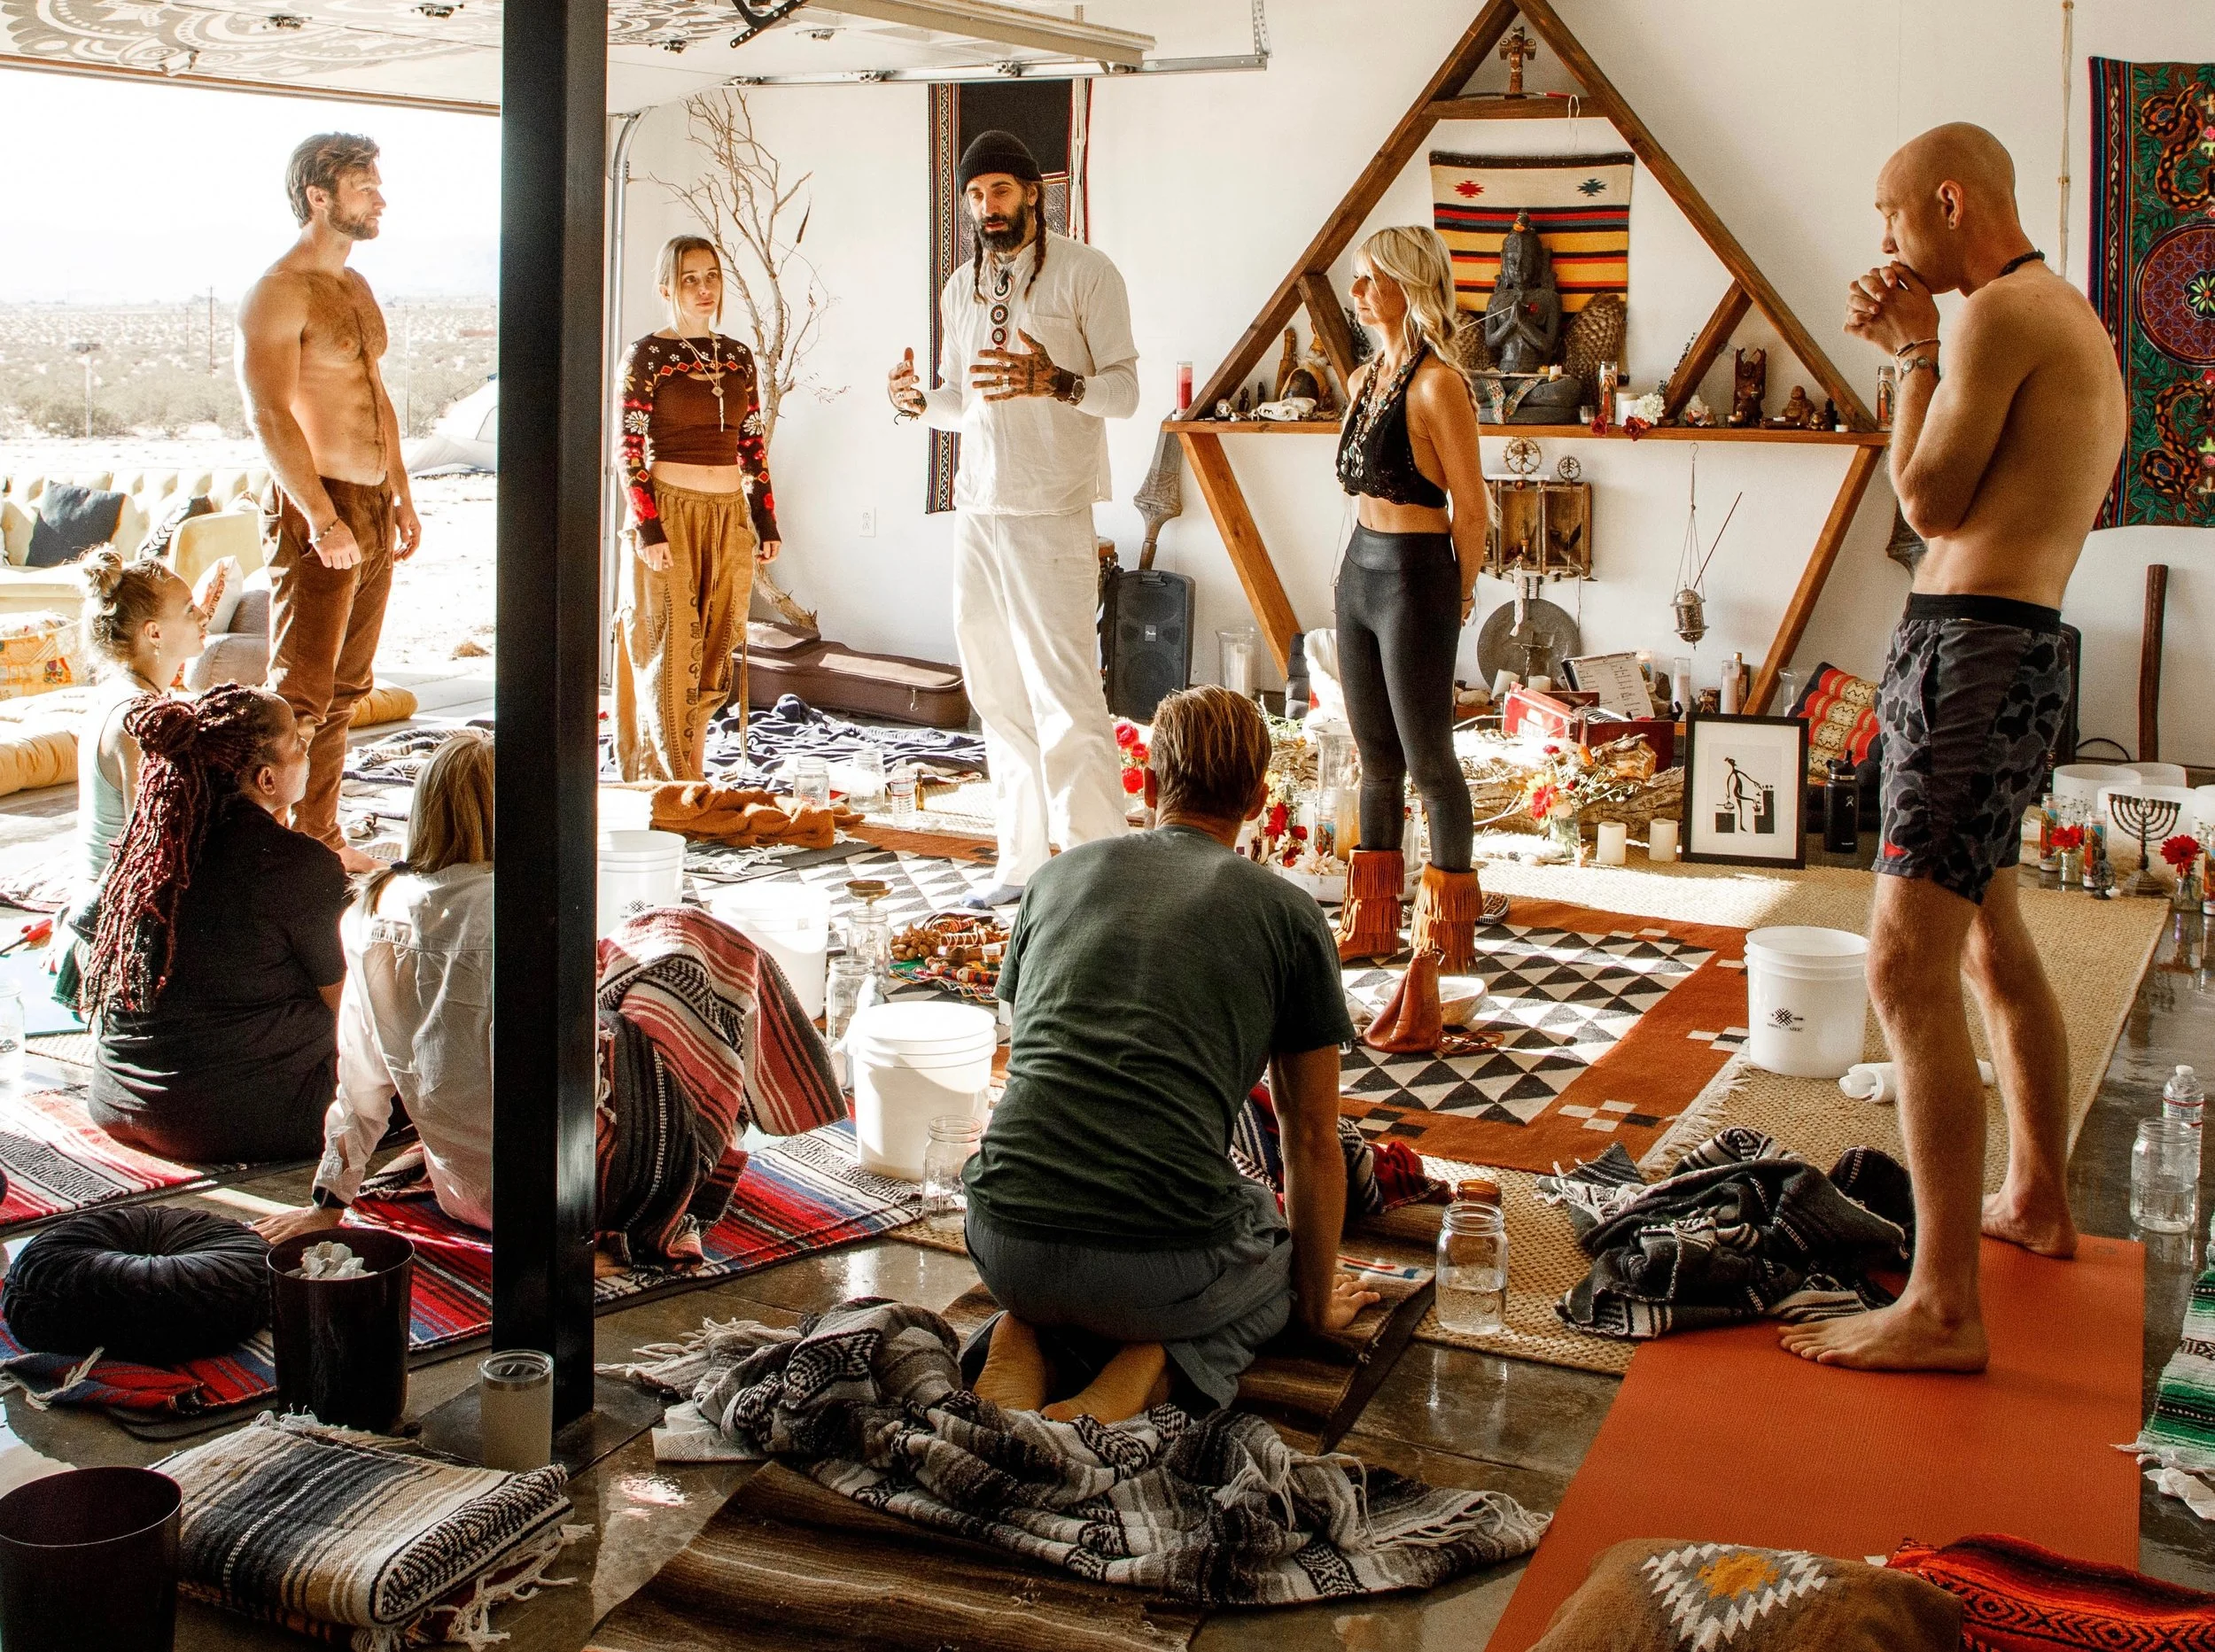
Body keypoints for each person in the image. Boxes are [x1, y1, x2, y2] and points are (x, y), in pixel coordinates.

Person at [1779, 123, 2126, 1373]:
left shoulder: (1997, 316)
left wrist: (1915, 354)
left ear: (1947, 200)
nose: (1881, 239)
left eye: (1889, 214)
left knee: (1902, 965)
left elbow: (1926, 504)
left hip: (1975, 651)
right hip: (2005, 645)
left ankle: (1940, 1306)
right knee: (1988, 936)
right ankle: (2034, 1195)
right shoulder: (2057, 313)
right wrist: (1918, 356)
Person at [253, 732, 847, 1269]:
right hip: (569, 1196)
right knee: (697, 943)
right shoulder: (516, 912)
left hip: (465, 1195)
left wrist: (329, 1201)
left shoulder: (368, 911)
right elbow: (555, 1084)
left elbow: (360, 1085)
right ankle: (790, 1099)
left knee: (632, 959)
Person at [961, 686, 1381, 1423]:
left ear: (1150, 786)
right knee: (1279, 1254)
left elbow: (1034, 1063)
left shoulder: (1052, 880)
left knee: (1095, 1234)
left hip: (1003, 1240)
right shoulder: (1289, 914)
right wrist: (1313, 1307)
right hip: (1157, 1265)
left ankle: (1027, 1332)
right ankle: (1148, 1370)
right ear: (1258, 801)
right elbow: (1313, 1137)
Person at [886, 129, 1139, 910]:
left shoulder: (1088, 272)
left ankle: (1096, 870)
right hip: (979, 511)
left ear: (1034, 192)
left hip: (1051, 509)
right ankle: (1022, 862)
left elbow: (1125, 391)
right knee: (994, 692)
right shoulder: (961, 285)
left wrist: (1057, 382)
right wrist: (917, 403)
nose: (986, 206)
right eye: (974, 194)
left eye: (999, 189)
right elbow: (964, 400)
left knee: (1065, 692)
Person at [237, 131, 420, 873]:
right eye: (364, 186)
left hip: (372, 502)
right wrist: (321, 516)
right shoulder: (278, 290)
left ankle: (320, 838)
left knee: (347, 689)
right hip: (318, 504)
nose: (381, 199)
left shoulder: (356, 286)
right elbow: (268, 413)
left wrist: (400, 491)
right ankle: (265, 855)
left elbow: (376, 394)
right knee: (299, 697)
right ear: (319, 197)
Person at [80, 686, 347, 1164]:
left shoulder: (146, 852)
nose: (308, 750)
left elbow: (88, 942)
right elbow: (350, 1008)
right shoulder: (299, 865)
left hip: (119, 1104)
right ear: (267, 779)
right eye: (298, 744)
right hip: (240, 1122)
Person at [1330, 227, 1488, 983]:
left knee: (1430, 761)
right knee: (1375, 758)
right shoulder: (1364, 380)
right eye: (1357, 278)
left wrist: (1461, 594)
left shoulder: (1438, 385)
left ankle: (1447, 938)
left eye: (1372, 279)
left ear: (1410, 285)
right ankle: (1372, 925)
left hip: (1415, 578)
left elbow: (1473, 508)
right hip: (1359, 572)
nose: (1358, 293)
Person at [614, 236, 783, 781]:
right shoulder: (647, 355)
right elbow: (628, 448)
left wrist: (764, 520)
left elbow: (751, 444)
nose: (704, 288)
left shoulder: (737, 356)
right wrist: (648, 528)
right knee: (670, 642)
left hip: (728, 514)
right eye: (690, 279)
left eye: (711, 276)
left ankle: (693, 768)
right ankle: (674, 779)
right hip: (669, 512)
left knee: (717, 641)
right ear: (667, 287)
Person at [58, 552, 211, 978]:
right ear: (154, 632)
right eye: (189, 609)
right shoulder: (140, 721)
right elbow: (155, 856)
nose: (203, 615)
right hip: (111, 935)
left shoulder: (119, 693)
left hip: (93, 913)